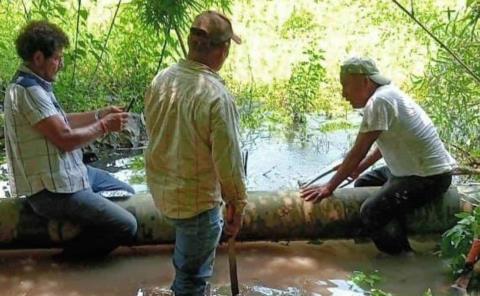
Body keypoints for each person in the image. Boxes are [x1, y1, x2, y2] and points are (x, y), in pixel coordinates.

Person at [3, 20, 137, 259]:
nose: (61, 63)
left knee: (127, 191)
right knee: (127, 225)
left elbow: (62, 121)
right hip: (53, 192)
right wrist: (104, 126)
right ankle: (66, 261)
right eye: (57, 58)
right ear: (38, 58)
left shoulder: (34, 84)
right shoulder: (29, 91)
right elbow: (65, 139)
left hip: (69, 175)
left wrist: (100, 114)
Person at [300, 57, 456, 255]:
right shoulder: (387, 95)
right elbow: (386, 143)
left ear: (364, 81)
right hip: (409, 170)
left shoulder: (379, 101)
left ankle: (403, 258)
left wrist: (329, 186)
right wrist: (360, 168)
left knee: (371, 211)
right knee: (364, 183)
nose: (343, 94)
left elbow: (358, 150)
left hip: (428, 178)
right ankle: (391, 229)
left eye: (345, 85)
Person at [144, 10, 248, 296]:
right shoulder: (216, 96)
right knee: (191, 281)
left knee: (186, 269)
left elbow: (154, 132)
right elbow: (228, 161)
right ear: (223, 50)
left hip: (164, 193)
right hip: (196, 204)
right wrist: (237, 205)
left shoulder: (162, 79)